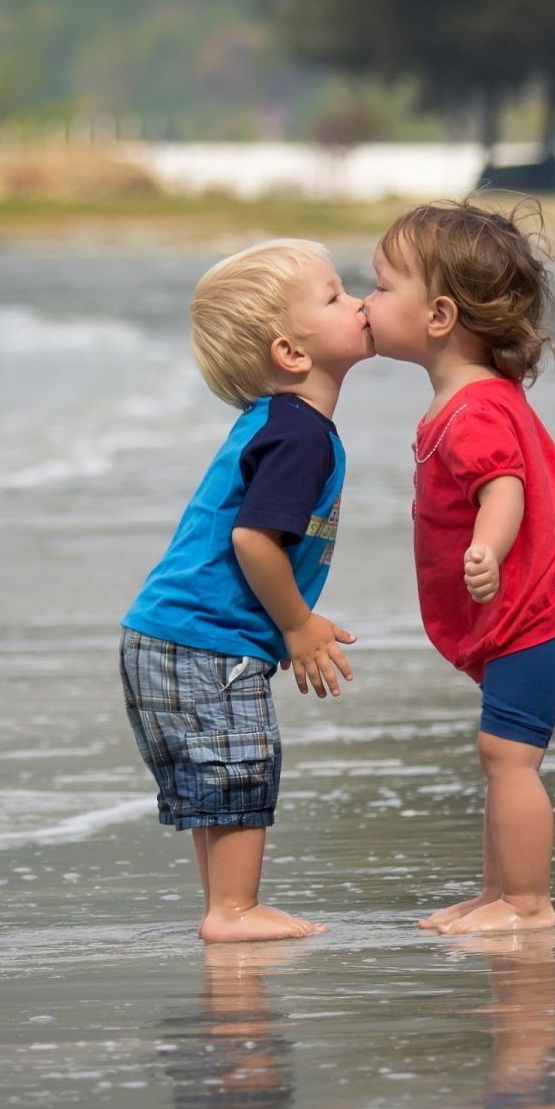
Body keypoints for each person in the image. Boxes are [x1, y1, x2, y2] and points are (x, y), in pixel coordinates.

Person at [364, 199, 555, 937]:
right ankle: (495, 893)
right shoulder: (468, 397)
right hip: (550, 610)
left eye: (380, 287)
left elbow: (503, 485)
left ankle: (527, 904)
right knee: (502, 757)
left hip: (540, 616)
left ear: (439, 315)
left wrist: (488, 548)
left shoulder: (472, 409)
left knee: (507, 757)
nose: (367, 302)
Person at [121, 238, 370, 942]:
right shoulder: (300, 433)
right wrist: (298, 626)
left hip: (171, 634)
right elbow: (253, 540)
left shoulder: (282, 423)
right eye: (334, 296)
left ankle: (223, 906)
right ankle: (232, 911)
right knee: (238, 762)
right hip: (203, 636)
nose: (356, 302)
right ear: (292, 353)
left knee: (219, 772)